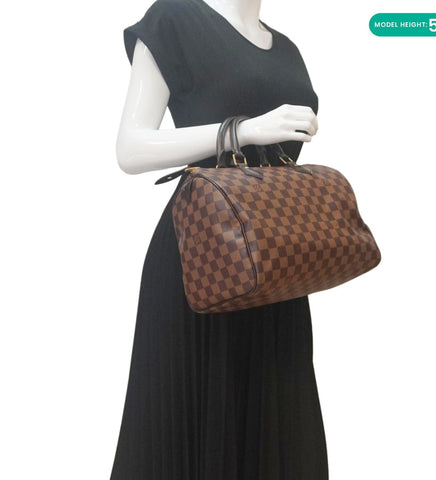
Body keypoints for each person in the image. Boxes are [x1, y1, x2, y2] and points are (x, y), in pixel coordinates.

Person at [110, 0, 328, 479]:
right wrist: (242, 131)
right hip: (202, 253)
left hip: (275, 262)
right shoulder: (175, 18)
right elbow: (130, 148)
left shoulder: (288, 49)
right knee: (188, 422)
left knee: (277, 425)